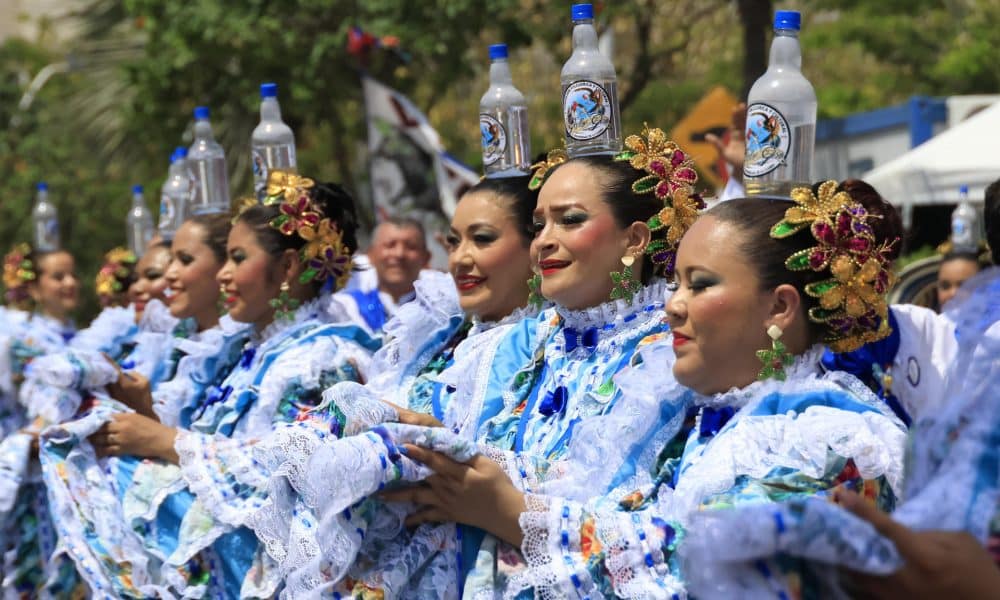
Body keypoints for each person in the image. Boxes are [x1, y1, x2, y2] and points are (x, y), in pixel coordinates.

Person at [379, 128, 700, 597]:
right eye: (538, 225)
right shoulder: (505, 346)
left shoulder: (673, 353)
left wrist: (510, 510)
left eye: (569, 220)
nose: (544, 242)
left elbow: (658, 535)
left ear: (634, 240)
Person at [38, 172, 379, 598]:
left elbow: (297, 478)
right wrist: (144, 416)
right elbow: (217, 469)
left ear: (288, 267)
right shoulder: (251, 350)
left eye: (238, 258)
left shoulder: (323, 360)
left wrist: (165, 440)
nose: (223, 274)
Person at [249, 174, 543, 596]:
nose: (460, 259)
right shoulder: (437, 335)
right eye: (454, 242)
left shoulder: (541, 343)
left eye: (482, 239)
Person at [820, 179, 958, 425]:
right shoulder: (801, 349)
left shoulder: (922, 328)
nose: (863, 279)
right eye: (849, 264)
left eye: (880, 266)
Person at [331, 216, 431, 333]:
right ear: (371, 254)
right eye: (390, 245)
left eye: (411, 247)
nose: (399, 254)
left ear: (426, 257)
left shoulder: (438, 311)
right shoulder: (346, 308)